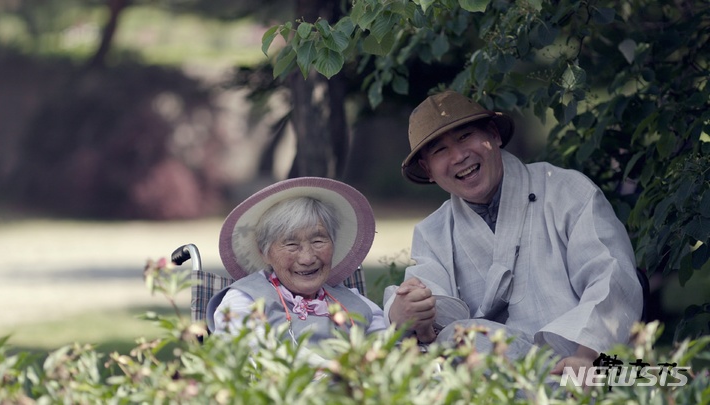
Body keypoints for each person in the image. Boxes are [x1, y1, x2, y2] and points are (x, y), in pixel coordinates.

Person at [384, 90, 643, 377]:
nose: (458, 156)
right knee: (455, 340)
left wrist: (586, 356)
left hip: (585, 363)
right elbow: (431, 309)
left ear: (493, 134)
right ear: (428, 169)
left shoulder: (568, 192)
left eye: (465, 136)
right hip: (497, 373)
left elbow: (611, 278)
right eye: (439, 151)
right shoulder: (433, 232)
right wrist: (407, 315)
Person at [207, 177, 385, 364]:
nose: (307, 258)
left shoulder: (354, 302)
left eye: (318, 241)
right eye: (291, 244)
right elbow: (259, 356)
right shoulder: (244, 300)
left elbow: (387, 352)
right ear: (265, 253)